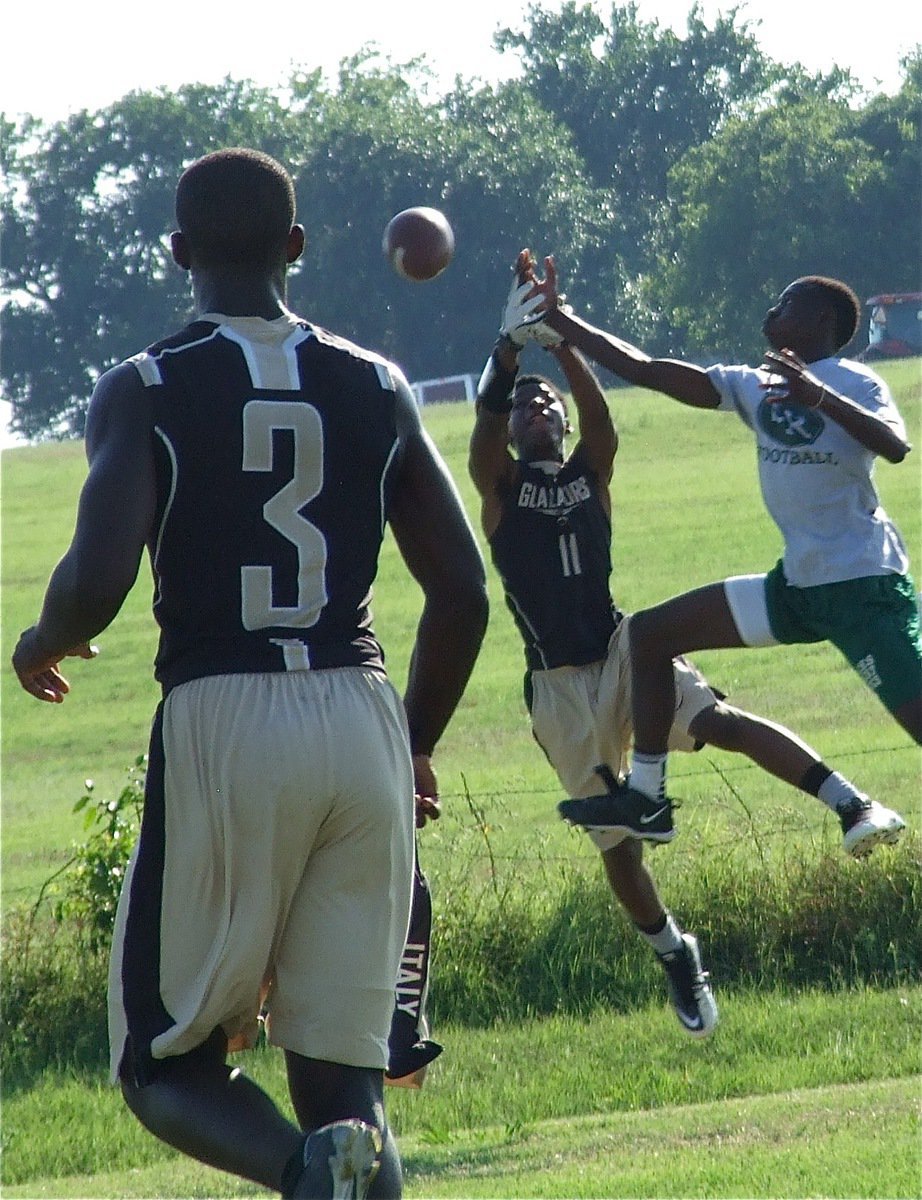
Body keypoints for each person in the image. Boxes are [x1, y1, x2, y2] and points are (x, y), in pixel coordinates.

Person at [12, 148, 488, 1200]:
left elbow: (97, 581)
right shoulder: (378, 384)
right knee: (344, 1083)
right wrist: (411, 744)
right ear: (297, 247)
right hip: (359, 712)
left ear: (178, 252)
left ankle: (301, 1172)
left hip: (224, 714)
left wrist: (41, 638)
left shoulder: (145, 386)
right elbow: (462, 593)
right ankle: (330, 1160)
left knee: (163, 1063)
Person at [468, 251, 907, 1039]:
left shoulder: (593, 467)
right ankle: (675, 951)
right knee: (619, 850)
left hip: (648, 642)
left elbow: (609, 407)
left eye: (547, 403)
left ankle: (849, 802)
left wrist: (562, 349)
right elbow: (519, 415)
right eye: (525, 407)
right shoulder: (500, 485)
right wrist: (519, 349)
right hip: (561, 684)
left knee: (719, 720)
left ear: (566, 422)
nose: (536, 410)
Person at [528, 256, 917, 843]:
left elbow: (893, 445)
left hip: (863, 588)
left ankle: (858, 810)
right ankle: (647, 797)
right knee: (649, 634)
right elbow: (644, 369)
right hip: (798, 590)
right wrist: (559, 320)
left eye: (786, 304)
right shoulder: (753, 383)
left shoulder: (855, 381)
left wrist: (819, 397)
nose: (770, 312)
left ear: (822, 320)